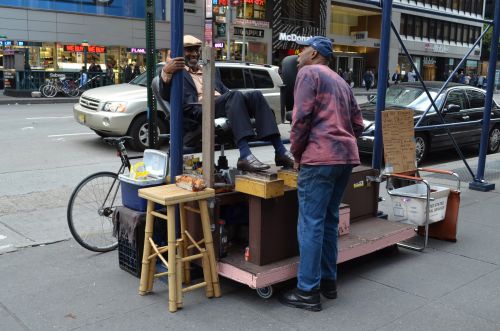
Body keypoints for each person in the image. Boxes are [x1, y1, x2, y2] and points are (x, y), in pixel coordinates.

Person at [279, 36, 364, 311]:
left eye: (303, 50)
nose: (299, 54)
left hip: (319, 158)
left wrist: (297, 153)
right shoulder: (341, 81)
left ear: (314, 53)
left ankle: (307, 291)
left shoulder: (308, 73)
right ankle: (328, 282)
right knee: (328, 220)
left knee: (311, 222)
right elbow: (358, 124)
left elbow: (300, 118)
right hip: (345, 157)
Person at [158, 35, 294, 172]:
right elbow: (165, 93)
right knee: (234, 96)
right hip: (197, 111)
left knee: (255, 95)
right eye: (189, 50)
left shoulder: (209, 69)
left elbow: (225, 91)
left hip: (219, 105)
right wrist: (166, 71)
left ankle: (280, 151)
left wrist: (237, 99)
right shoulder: (176, 73)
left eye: (196, 50)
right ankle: (245, 155)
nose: (194, 53)